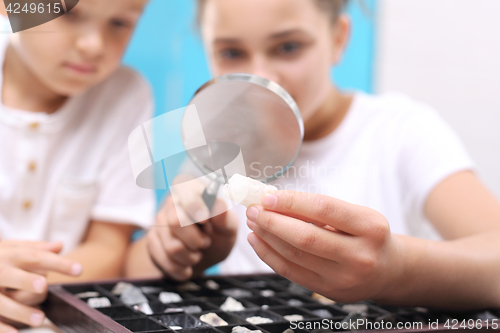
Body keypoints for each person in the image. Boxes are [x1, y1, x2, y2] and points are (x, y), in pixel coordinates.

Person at [126, 0, 500, 310]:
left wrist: (395, 268)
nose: (262, 77)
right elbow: (132, 272)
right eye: (231, 52)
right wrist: (181, 254)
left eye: (288, 47)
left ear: (338, 38)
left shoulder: (402, 132)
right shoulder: (217, 149)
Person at [0, 0, 154, 331]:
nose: (93, 45)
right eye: (68, 13)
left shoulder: (127, 96)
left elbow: (109, 246)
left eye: (119, 23)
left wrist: (21, 288)